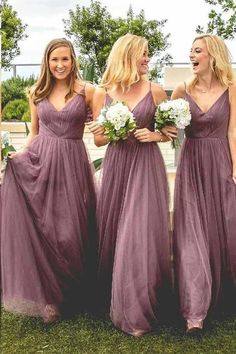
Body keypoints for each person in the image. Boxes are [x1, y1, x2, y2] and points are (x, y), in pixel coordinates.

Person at [1, 38, 96, 323]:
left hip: (72, 164)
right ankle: (50, 300)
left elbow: (99, 130)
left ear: (73, 60)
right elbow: (34, 133)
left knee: (70, 231)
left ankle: (74, 291)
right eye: (55, 60)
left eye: (65, 59)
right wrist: (19, 156)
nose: (60, 65)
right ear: (46, 61)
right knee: (47, 229)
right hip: (42, 163)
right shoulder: (37, 92)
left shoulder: (87, 91)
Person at [88, 33, 175, 336]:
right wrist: (116, 129)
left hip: (146, 166)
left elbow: (167, 131)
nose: (148, 58)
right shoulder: (105, 92)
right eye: (143, 53)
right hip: (118, 165)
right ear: (127, 55)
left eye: (148, 53)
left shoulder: (156, 91)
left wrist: (154, 135)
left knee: (138, 232)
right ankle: (115, 296)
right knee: (116, 230)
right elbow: (98, 140)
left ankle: (137, 309)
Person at [165, 34, 236, 333]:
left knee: (224, 230)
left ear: (213, 55)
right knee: (191, 234)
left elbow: (233, 131)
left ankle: (222, 295)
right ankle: (195, 312)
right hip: (191, 164)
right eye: (190, 51)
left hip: (220, 162)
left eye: (197, 51)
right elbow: (166, 127)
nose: (191, 56)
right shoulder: (182, 89)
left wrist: (235, 169)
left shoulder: (232, 89)